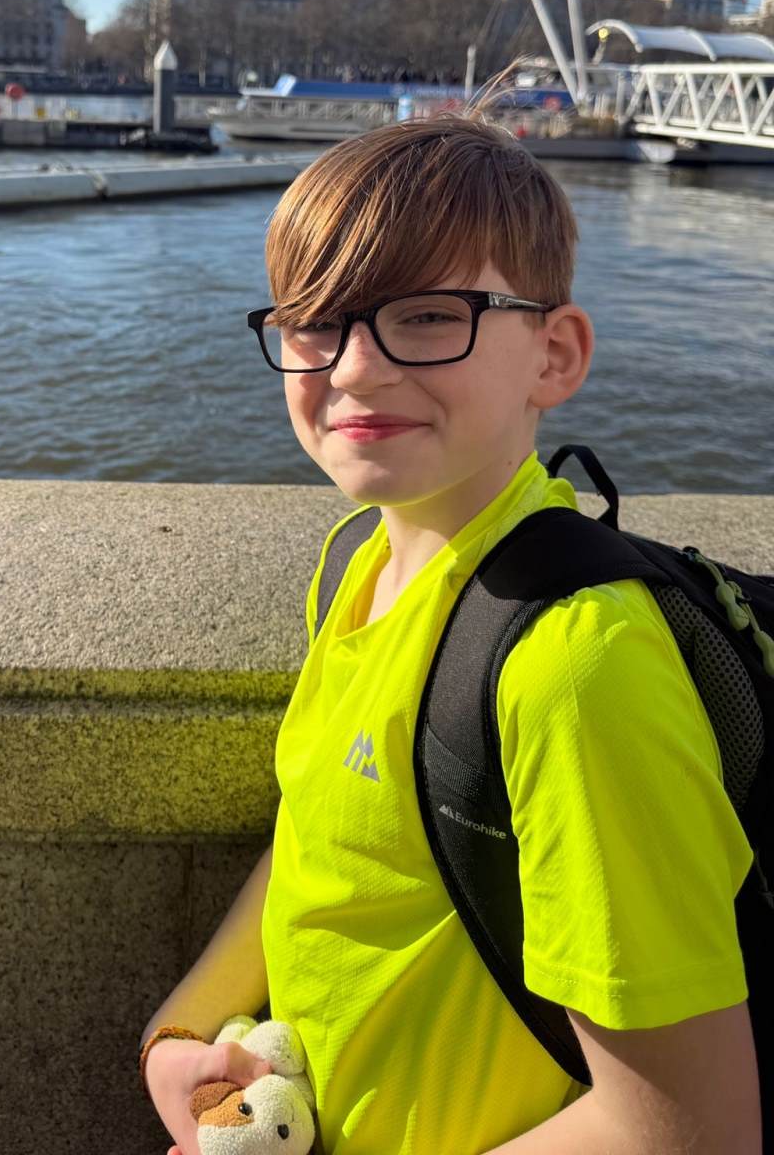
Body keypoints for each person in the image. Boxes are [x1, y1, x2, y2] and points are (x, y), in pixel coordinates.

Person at [139, 115, 760, 1154]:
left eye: (428, 316)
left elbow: (688, 1129)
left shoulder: (575, 667)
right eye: (314, 322)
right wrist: (181, 1032)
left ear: (554, 354)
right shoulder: (357, 561)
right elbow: (320, 836)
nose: (354, 369)